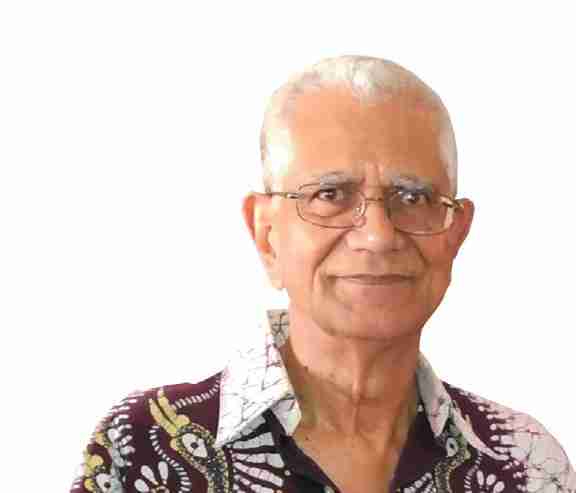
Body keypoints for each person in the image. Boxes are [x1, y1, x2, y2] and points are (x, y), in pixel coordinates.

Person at [70, 55, 575, 493]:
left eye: (413, 197)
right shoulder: (144, 448)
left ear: (457, 232)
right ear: (266, 233)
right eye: (330, 195)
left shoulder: (523, 464)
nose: (377, 235)